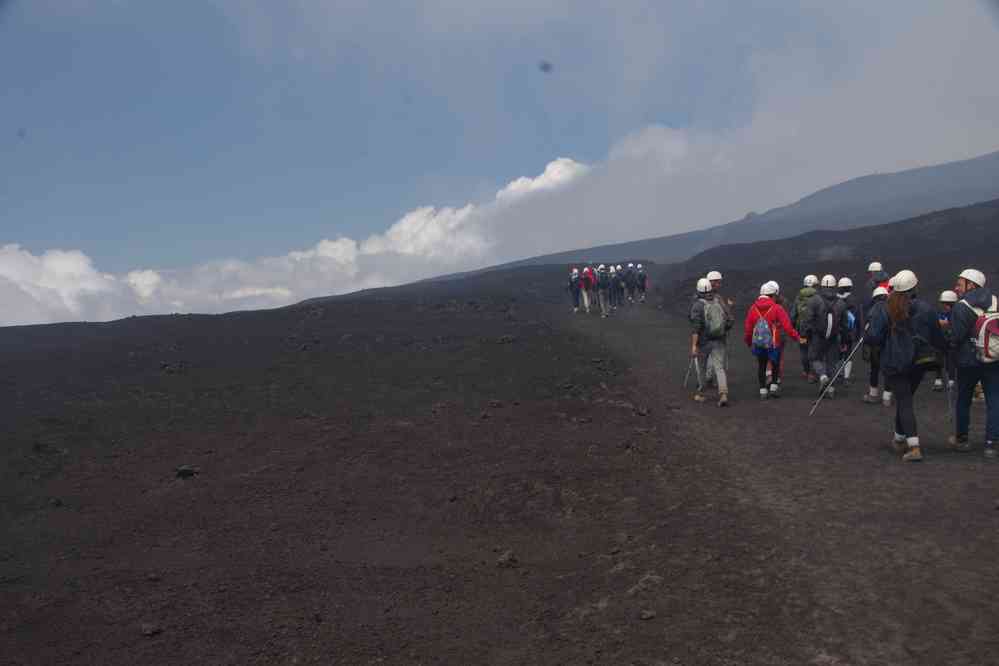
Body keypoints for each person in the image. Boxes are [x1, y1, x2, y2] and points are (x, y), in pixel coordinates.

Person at [866, 270, 947, 462]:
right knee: (906, 399)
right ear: (915, 287)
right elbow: (938, 339)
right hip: (919, 363)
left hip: (894, 363)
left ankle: (914, 447)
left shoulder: (885, 308)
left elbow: (874, 338)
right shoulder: (927, 310)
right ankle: (899, 438)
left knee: (904, 401)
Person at [948, 268, 997, 458]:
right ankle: (991, 443)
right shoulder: (995, 301)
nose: (956, 288)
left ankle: (962, 439)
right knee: (994, 400)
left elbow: (957, 337)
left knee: (964, 399)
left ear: (971, 285)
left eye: (960, 284)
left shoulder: (961, 306)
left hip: (968, 360)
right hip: (993, 358)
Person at [745, 281, 800, 400]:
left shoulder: (753, 308)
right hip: (774, 342)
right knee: (775, 363)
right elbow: (788, 327)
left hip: (759, 343)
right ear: (773, 295)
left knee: (762, 365)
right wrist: (797, 338)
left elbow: (748, 328)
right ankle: (774, 387)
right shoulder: (777, 308)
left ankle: (762, 390)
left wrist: (749, 342)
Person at [690, 278, 729, 407]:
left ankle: (701, 394)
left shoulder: (697, 305)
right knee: (719, 367)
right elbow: (729, 319)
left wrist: (694, 346)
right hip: (719, 339)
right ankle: (723, 394)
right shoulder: (718, 301)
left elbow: (696, 328)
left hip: (703, 342)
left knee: (702, 367)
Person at [805, 275, 846, 398]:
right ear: (835, 286)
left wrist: (807, 334)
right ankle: (831, 389)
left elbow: (808, 319)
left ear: (822, 286)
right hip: (833, 337)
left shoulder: (814, 300)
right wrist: (844, 340)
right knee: (831, 362)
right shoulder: (841, 303)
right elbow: (844, 325)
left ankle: (822, 376)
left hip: (818, 335)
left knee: (814, 358)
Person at [703, 270, 734, 389]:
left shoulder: (700, 296)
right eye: (718, 282)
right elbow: (727, 316)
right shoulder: (717, 298)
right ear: (712, 282)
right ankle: (720, 388)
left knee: (710, 355)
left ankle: (707, 378)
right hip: (719, 334)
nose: (719, 284)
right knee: (717, 358)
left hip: (705, 334)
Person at [863, 286, 890, 404]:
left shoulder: (872, 310)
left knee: (874, 369)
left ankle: (873, 395)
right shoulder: (890, 308)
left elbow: (869, 329)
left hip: (875, 345)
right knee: (888, 370)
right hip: (888, 344)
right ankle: (887, 398)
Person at [790, 275, 819, 381]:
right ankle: (812, 373)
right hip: (814, 330)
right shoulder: (817, 298)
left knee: (803, 350)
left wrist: (793, 328)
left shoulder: (799, 297)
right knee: (814, 350)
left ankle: (806, 371)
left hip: (801, 330)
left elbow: (793, 314)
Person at [834, 277, 859, 385]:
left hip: (836, 332)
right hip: (848, 332)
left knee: (837, 353)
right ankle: (846, 377)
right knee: (848, 354)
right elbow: (856, 318)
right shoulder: (853, 300)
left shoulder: (835, 300)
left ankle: (838, 374)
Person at [934, 290, 959, 391]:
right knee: (941, 358)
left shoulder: (955, 313)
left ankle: (949, 380)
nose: (945, 305)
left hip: (950, 339)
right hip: (943, 338)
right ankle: (940, 379)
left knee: (950, 359)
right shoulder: (942, 313)